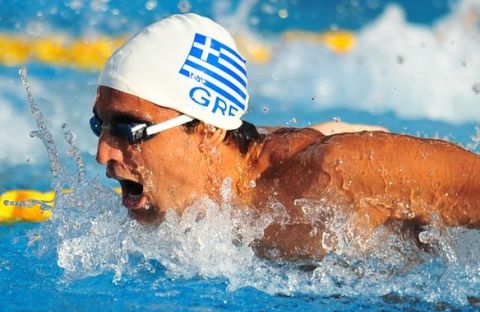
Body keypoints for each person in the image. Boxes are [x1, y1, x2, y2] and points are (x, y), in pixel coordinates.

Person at [91, 13, 480, 260]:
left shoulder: (336, 173)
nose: (102, 152)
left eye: (129, 130)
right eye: (101, 126)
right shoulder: (198, 202)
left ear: (207, 129)